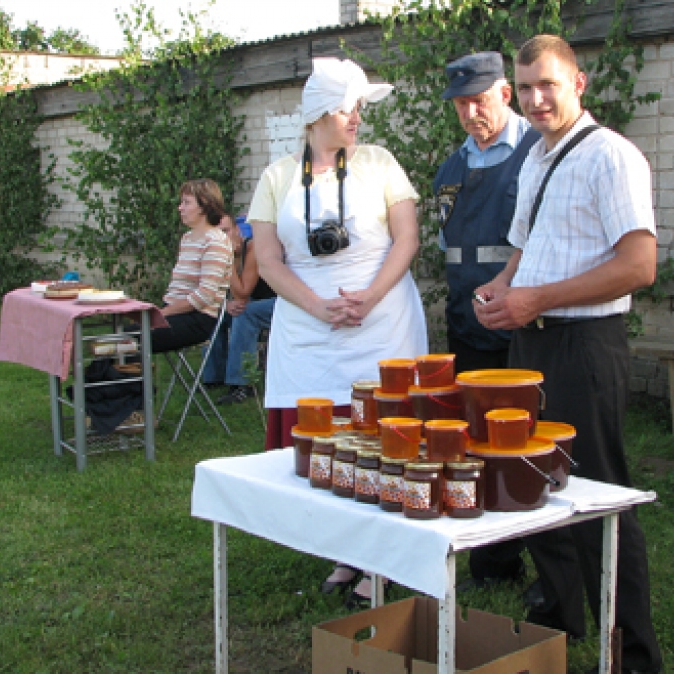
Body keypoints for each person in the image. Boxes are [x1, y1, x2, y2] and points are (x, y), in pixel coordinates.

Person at [474, 35, 662, 674]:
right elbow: (527, 246)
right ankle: (560, 609)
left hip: (587, 344)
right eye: (524, 88)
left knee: (601, 493)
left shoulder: (611, 156)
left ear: (578, 83)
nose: (535, 99)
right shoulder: (534, 158)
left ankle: (633, 651)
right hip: (532, 338)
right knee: (532, 480)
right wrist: (503, 287)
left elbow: (639, 265)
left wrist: (537, 298)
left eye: (547, 85)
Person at [250, 57, 429, 607]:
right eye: (350, 108)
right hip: (309, 336)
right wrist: (318, 306)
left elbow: (407, 239)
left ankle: (384, 555)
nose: (357, 119)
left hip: (383, 329)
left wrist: (369, 298)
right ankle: (348, 550)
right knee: (329, 445)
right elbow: (267, 260)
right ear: (320, 113)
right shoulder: (278, 177)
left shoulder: (380, 163)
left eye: (357, 109)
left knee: (385, 440)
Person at [433, 52, 544, 598]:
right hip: (466, 325)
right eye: (460, 103)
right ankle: (490, 557)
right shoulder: (450, 168)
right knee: (475, 441)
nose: (471, 111)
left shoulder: (539, 154)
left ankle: (544, 556)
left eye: (479, 98)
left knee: (523, 443)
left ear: (505, 92)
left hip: (526, 326)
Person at [150, 178, 233, 354]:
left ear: (205, 206)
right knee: (122, 337)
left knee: (132, 338)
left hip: (198, 319)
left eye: (186, 203)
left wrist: (163, 314)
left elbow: (204, 296)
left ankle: (114, 380)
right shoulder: (188, 239)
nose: (180, 208)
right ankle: (103, 379)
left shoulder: (216, 242)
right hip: (174, 312)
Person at [201, 214, 277, 403]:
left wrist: (227, 259)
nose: (222, 237)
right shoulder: (212, 250)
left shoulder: (252, 248)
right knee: (215, 312)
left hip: (280, 302)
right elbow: (207, 290)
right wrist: (224, 304)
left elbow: (242, 292)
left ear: (237, 231)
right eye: (217, 233)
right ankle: (213, 377)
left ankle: (242, 384)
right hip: (251, 301)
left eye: (226, 231)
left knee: (244, 314)